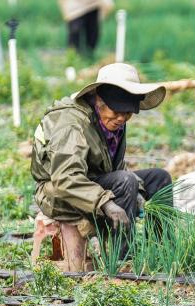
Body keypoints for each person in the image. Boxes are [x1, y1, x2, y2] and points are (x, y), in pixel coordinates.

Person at [31, 62, 170, 270]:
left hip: (93, 182)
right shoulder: (72, 124)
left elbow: (114, 171)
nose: (121, 118)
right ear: (99, 100)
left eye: (128, 113)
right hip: (58, 192)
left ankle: (162, 253)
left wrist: (138, 192)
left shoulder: (112, 122)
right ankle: (120, 260)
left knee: (160, 178)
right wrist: (106, 203)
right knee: (126, 181)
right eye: (117, 111)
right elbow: (65, 179)